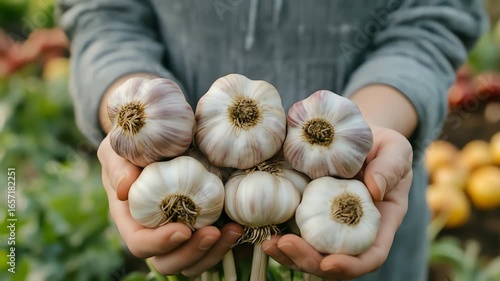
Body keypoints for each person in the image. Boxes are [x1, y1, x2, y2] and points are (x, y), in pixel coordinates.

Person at [57, 0, 487, 280]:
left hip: (358, 208)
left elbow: (433, 17)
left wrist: (368, 134)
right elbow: (101, 12)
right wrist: (131, 102)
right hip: (176, 200)